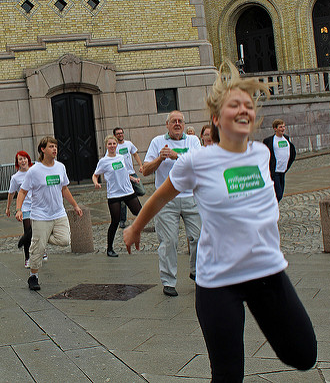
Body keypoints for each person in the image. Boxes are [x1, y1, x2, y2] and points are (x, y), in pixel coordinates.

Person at [124, 62, 316, 380]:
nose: (243, 109)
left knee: (304, 354)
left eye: (248, 105)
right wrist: (135, 227)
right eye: (234, 104)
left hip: (267, 271)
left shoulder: (260, 154)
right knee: (228, 375)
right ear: (216, 118)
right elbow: (161, 195)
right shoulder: (197, 161)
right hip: (218, 281)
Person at [143, 110, 201, 296]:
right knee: (169, 241)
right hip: (166, 200)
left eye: (180, 121)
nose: (177, 124)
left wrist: (176, 156)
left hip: (191, 197)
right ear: (167, 124)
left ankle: (196, 271)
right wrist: (160, 158)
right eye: (173, 121)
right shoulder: (157, 142)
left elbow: (198, 164)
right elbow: (145, 170)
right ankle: (168, 281)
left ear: (184, 124)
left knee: (199, 237)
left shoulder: (192, 141)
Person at [16, 136, 83, 291]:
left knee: (65, 240)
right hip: (40, 215)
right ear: (42, 149)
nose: (55, 149)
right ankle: (33, 276)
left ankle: (37, 236)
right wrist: (19, 209)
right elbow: (22, 191)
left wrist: (75, 205)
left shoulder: (60, 167)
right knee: (38, 249)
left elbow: (64, 188)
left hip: (58, 213)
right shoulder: (34, 171)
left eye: (56, 147)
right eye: (51, 146)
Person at [93, 135, 142, 257]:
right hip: (114, 194)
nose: (112, 146)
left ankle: (133, 233)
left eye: (114, 144)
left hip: (127, 191)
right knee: (115, 221)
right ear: (106, 146)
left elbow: (124, 172)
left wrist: (133, 179)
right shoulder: (103, 161)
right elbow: (95, 175)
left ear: (117, 145)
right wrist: (96, 183)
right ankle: (109, 248)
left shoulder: (121, 157)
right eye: (109, 144)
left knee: (140, 213)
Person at [113, 127, 146, 228]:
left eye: (121, 133)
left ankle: (130, 198)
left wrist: (141, 165)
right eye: (118, 134)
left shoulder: (129, 144)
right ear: (115, 135)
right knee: (122, 201)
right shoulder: (114, 147)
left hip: (132, 173)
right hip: (122, 177)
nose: (120, 135)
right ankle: (122, 220)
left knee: (141, 191)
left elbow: (135, 154)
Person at [6, 151, 34, 267]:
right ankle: (27, 257)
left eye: (24, 158)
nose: (23, 161)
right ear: (17, 163)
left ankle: (41, 251)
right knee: (28, 232)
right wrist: (8, 207)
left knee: (39, 229)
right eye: (20, 159)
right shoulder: (15, 178)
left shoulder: (34, 171)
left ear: (28, 159)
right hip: (25, 207)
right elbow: (11, 193)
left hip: (37, 205)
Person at [263, 119, 296, 202]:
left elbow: (291, 153)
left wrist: (288, 164)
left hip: (283, 171)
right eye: (280, 127)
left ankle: (272, 206)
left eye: (284, 126)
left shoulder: (286, 139)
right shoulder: (269, 140)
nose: (283, 129)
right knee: (279, 194)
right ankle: (271, 207)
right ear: (275, 128)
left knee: (280, 193)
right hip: (275, 172)